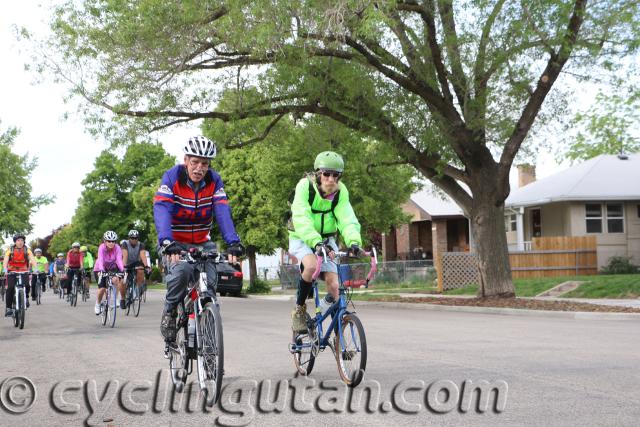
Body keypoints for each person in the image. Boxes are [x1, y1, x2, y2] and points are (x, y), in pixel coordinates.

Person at [153, 135, 245, 342]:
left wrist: (233, 242)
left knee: (210, 285)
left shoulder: (214, 180)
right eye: (194, 162)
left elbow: (221, 210)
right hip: (175, 242)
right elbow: (162, 208)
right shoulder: (172, 177)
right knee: (183, 271)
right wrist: (167, 241)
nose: (199, 168)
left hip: (202, 241)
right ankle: (169, 312)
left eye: (204, 163)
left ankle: (207, 335)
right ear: (185, 160)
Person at [288, 151, 363, 332]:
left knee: (335, 286)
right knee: (312, 266)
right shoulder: (305, 186)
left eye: (335, 175)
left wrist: (354, 241)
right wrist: (314, 242)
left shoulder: (340, 192)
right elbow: (301, 217)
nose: (331, 179)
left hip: (326, 240)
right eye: (326, 174)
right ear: (318, 174)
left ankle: (340, 338)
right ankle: (299, 310)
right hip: (302, 236)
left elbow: (346, 217)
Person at [3, 234, 36, 316]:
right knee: (10, 288)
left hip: (23, 270)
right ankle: (8, 308)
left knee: (27, 285)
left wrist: (35, 269)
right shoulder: (10, 250)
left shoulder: (27, 250)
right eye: (18, 240)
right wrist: (5, 269)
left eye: (22, 240)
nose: (20, 242)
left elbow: (32, 258)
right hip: (11, 271)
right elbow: (5, 260)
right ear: (15, 242)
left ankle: (26, 298)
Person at [93, 231, 125, 315]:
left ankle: (115, 299)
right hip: (99, 268)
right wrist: (102, 271)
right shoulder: (101, 248)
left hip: (112, 268)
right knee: (102, 289)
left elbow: (118, 259)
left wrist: (122, 270)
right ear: (105, 241)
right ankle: (98, 304)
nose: (111, 243)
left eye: (113, 241)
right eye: (109, 241)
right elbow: (100, 260)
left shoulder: (117, 248)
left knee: (116, 279)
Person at [121, 229, 151, 297]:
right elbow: (125, 256)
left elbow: (143, 255)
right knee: (124, 279)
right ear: (129, 238)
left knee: (141, 270)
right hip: (127, 262)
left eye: (136, 238)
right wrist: (123, 267)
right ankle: (125, 294)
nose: (134, 240)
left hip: (136, 262)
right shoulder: (125, 243)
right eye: (132, 238)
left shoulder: (141, 245)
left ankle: (137, 287)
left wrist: (146, 266)